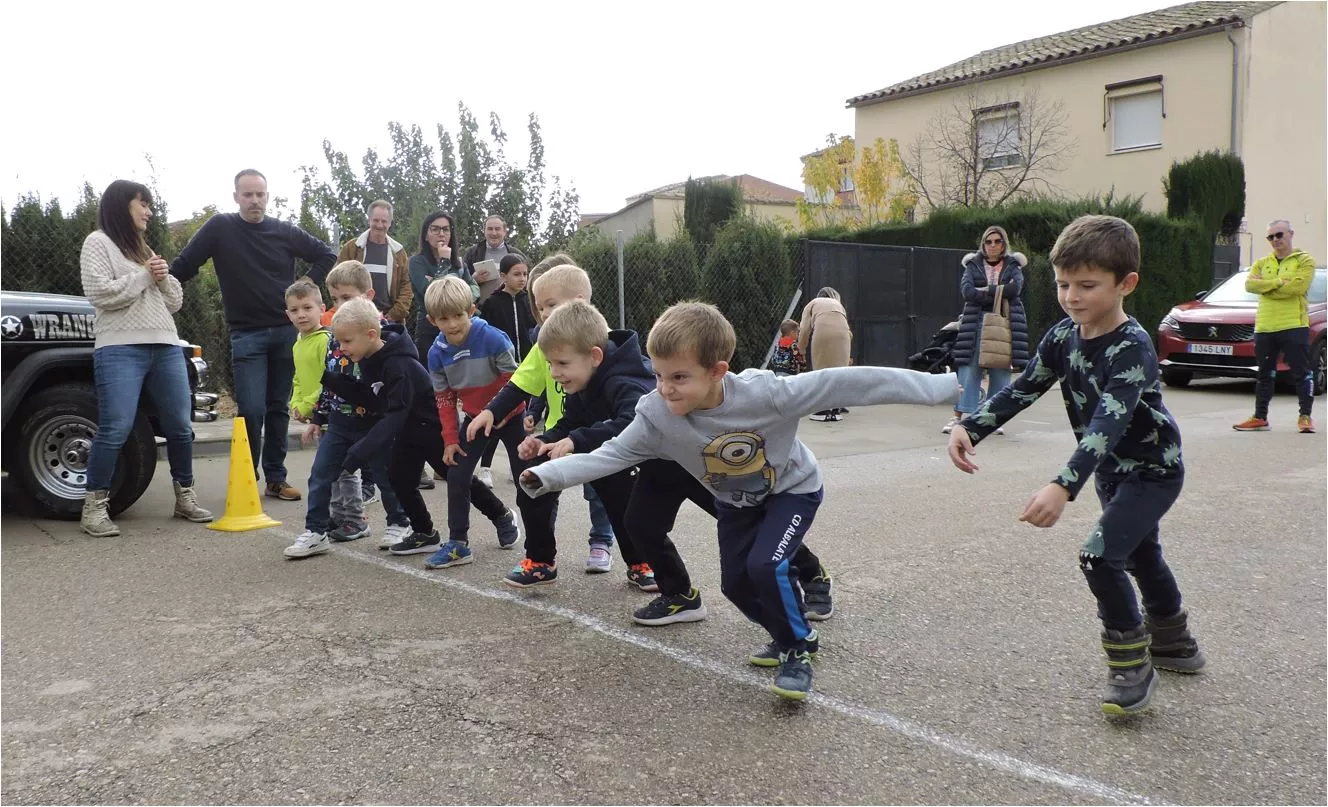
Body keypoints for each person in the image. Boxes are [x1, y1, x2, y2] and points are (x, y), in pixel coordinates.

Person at [520, 301, 959, 701]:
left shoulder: (765, 394)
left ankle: (797, 650)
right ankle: (788, 633)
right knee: (735, 586)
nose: (664, 389)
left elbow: (846, 382)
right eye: (657, 375)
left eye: (679, 377)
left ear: (717, 371)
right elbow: (610, 454)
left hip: (791, 491)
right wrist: (547, 475)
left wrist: (942, 389)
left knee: (765, 566)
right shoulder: (654, 414)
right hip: (736, 503)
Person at [948, 215, 1206, 717]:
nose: (1071, 296)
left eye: (1087, 285)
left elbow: (1105, 426)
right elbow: (1024, 386)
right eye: (1063, 284)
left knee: (1098, 556)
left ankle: (1132, 663)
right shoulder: (1063, 336)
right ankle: (1176, 644)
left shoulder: (1133, 347)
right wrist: (971, 426)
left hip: (1152, 471)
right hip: (1112, 472)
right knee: (1139, 554)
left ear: (1125, 284)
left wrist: (1063, 485)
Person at [468, 263, 649, 584]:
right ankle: (540, 560)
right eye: (539, 307)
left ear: (580, 301)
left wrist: (575, 438)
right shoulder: (547, 344)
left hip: (607, 445)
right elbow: (524, 383)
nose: (544, 314)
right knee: (532, 487)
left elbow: (627, 421)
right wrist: (498, 414)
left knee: (619, 502)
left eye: (551, 305)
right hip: (562, 433)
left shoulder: (611, 363)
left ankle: (638, 562)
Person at [171, 169, 337, 501]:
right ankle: (246, 476)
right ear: (236, 197)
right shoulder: (220, 228)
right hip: (246, 334)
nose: (254, 200)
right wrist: (162, 283)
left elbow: (326, 254)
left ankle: (276, 477)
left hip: (285, 333)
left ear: (267, 196)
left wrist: (304, 288)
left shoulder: (283, 231)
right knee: (251, 407)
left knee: (277, 406)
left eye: (260, 194)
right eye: (247, 194)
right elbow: (185, 264)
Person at [78, 179, 213, 536]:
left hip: (166, 344)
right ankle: (93, 508)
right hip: (119, 347)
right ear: (123, 205)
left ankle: (185, 498)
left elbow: (174, 302)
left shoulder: (143, 247)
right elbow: (99, 294)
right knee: (116, 427)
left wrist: (163, 277)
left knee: (181, 427)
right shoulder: (98, 242)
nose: (149, 211)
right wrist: (143, 276)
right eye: (143, 204)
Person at [282, 263, 412, 559]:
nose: (339, 306)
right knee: (321, 473)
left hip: (374, 423)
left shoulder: (385, 341)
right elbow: (332, 383)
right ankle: (316, 531)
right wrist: (319, 417)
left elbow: (397, 386)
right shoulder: (335, 340)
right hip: (340, 422)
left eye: (346, 299)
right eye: (335, 299)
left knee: (384, 474)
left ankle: (400, 522)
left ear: (368, 296)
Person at [403, 275, 523, 568]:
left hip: (510, 415)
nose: (453, 324)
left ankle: (537, 547)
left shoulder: (493, 338)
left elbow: (516, 383)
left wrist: (497, 414)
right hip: (473, 420)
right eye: (444, 318)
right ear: (433, 320)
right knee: (456, 474)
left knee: (526, 478)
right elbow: (444, 401)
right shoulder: (436, 354)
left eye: (458, 315)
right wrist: (450, 441)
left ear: (470, 310)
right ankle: (459, 544)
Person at [316, 298, 447, 555]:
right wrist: (330, 379)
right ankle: (424, 533)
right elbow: (371, 398)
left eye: (346, 342)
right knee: (399, 479)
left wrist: (357, 453)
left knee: (459, 480)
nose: (341, 348)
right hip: (406, 433)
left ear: (371, 334)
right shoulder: (369, 358)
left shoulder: (399, 365)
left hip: (431, 431)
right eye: (339, 342)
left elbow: (395, 413)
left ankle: (500, 516)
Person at [407, 211, 478, 491]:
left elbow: (471, 289)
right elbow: (430, 293)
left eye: (446, 229)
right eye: (435, 229)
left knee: (457, 394)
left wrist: (461, 288)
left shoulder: (460, 261)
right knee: (430, 396)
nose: (441, 234)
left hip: (461, 335)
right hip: (429, 331)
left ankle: (448, 456)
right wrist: (447, 265)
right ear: (426, 234)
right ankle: (425, 462)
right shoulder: (417, 262)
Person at [1233, 219, 1317, 434]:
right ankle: (1260, 417)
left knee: (1301, 372)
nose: (1275, 240)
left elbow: (1298, 288)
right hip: (1265, 326)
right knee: (1264, 374)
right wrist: (1279, 283)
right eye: (1270, 237)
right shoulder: (1262, 263)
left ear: (1291, 233)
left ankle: (1305, 416)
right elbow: (1249, 285)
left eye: (1279, 235)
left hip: (1293, 325)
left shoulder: (1304, 260)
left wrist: (1266, 287)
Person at [943, 226, 1029, 436]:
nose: (992, 245)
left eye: (997, 241)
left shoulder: (1014, 265)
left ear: (1004, 244)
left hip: (1004, 322)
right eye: (988, 241)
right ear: (983, 244)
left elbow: (1014, 289)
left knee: (1000, 370)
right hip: (975, 322)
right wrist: (999, 291)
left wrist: (987, 290)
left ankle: (992, 418)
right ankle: (959, 417)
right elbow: (967, 291)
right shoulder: (972, 264)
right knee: (969, 369)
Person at [475, 253, 538, 487]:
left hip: (527, 367)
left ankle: (518, 463)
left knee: (523, 419)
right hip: (501, 371)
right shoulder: (491, 303)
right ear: (503, 276)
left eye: (525, 274)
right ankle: (485, 467)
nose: (522, 279)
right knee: (497, 416)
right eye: (516, 274)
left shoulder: (528, 301)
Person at [337, 199, 413, 323]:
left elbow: (406, 286)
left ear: (390, 223)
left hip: (390, 320)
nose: (379, 225)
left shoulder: (398, 252)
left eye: (384, 221)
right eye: (376, 220)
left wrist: (394, 314)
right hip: (355, 318)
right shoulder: (352, 248)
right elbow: (339, 281)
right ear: (369, 220)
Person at [798, 287, 852, 421]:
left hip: (823, 331)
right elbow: (848, 330)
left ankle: (822, 411)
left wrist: (801, 349)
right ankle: (836, 409)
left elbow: (804, 329)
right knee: (839, 371)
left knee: (821, 369)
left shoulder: (812, 304)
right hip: (844, 335)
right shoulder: (838, 305)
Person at [463, 214, 527, 270]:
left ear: (504, 232)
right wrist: (474, 279)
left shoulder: (517, 255)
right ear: (484, 231)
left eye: (497, 229)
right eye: (490, 229)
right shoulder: (472, 253)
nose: (494, 233)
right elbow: (461, 279)